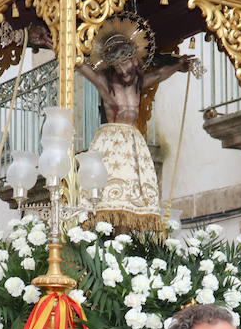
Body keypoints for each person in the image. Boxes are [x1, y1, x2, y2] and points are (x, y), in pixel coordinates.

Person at [75, 13, 196, 233]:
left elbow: (159, 74)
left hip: (133, 141)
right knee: (110, 198)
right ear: (113, 65)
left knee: (132, 197)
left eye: (129, 61)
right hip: (112, 141)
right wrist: (60, 47)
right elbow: (82, 67)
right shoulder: (105, 83)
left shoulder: (138, 84)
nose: (126, 67)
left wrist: (179, 65)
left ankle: (124, 238)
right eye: (121, 63)